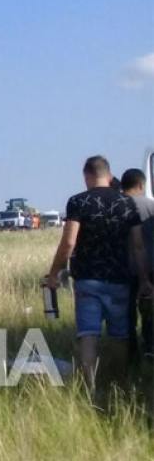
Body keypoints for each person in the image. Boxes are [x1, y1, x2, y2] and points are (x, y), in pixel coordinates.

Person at [44, 156, 150, 392]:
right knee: (120, 334)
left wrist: (54, 273)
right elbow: (138, 246)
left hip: (87, 278)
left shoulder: (78, 202)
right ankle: (120, 383)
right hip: (120, 277)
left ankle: (90, 387)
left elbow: (69, 242)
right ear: (109, 175)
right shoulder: (128, 203)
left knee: (88, 333)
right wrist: (143, 280)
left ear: (87, 176)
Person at [121, 168, 154, 357]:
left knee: (128, 313)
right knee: (149, 310)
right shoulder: (151, 206)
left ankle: (131, 351)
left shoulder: (117, 207)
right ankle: (150, 346)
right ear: (141, 184)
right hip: (150, 266)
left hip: (124, 268)